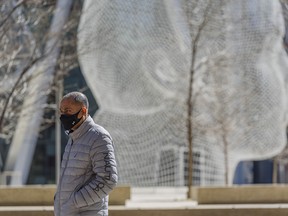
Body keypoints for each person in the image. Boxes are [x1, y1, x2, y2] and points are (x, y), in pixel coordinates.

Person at [54, 91, 118, 216]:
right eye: (61, 111)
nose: (63, 115)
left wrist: (74, 202)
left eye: (68, 110)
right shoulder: (73, 138)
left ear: (83, 111)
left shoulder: (98, 136)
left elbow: (108, 179)